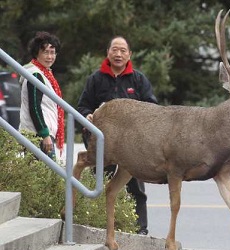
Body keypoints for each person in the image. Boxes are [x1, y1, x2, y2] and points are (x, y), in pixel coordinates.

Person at [77, 36, 158, 235]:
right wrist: (87, 114)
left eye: (123, 50)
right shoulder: (96, 79)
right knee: (99, 181)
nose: (118, 54)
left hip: (133, 146)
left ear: (129, 54)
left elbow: (153, 108)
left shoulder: (138, 79)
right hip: (104, 143)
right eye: (115, 49)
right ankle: (96, 223)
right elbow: (82, 106)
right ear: (108, 53)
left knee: (135, 186)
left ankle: (140, 228)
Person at [19, 31, 64, 160]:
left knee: (42, 177)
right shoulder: (35, 74)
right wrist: (45, 135)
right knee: (46, 177)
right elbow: (34, 107)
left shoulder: (44, 74)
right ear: (36, 53)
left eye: (53, 52)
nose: (50, 57)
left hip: (41, 135)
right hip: (38, 135)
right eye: (45, 52)